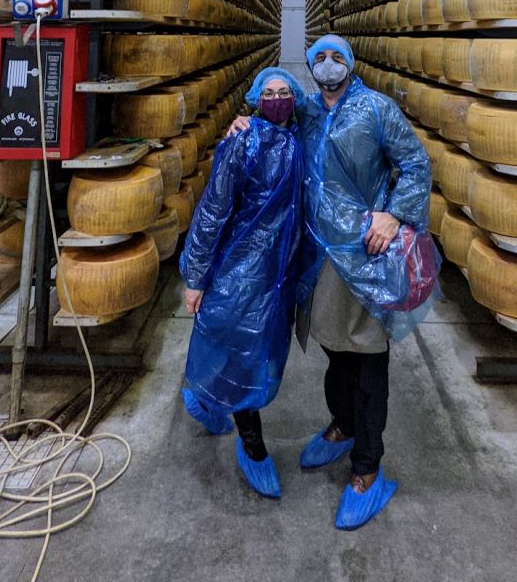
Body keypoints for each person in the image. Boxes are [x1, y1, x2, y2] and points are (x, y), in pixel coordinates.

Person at [229, 34, 437, 529]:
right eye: (319, 57)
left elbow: (416, 165)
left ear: (350, 63)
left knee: (367, 355)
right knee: (334, 348)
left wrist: (393, 216)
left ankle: (368, 469)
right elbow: (271, 112)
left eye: (336, 57)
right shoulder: (306, 111)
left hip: (364, 253)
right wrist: (244, 123)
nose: (327, 64)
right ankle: (342, 426)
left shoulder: (376, 108)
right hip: (318, 254)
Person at [180, 67, 306, 499]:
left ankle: (207, 399)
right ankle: (252, 447)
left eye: (285, 92)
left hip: (280, 274)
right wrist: (195, 277)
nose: (277, 98)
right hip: (242, 269)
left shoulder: (301, 140)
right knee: (240, 349)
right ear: (255, 100)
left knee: (263, 350)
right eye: (269, 92)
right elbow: (212, 212)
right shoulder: (242, 141)